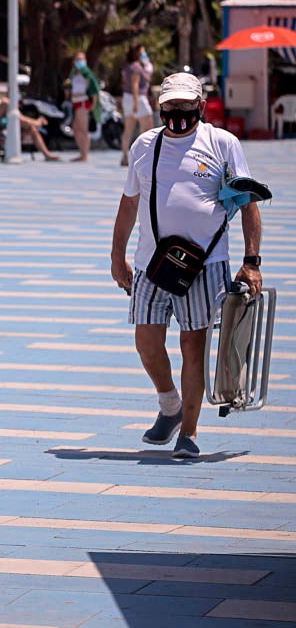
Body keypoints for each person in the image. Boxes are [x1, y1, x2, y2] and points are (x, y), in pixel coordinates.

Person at [110, 72, 263, 460]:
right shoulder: (144, 146)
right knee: (146, 341)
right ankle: (170, 405)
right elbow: (129, 202)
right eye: (171, 106)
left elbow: (248, 202)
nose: (177, 112)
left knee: (191, 345)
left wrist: (251, 262)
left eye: (185, 105)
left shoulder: (222, 143)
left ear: (200, 105)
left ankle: (189, 433)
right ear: (161, 107)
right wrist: (117, 256)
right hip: (151, 262)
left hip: (205, 263)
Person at [0, 96, 60, 161]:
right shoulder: (3, 104)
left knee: (32, 129)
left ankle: (46, 154)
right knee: (8, 105)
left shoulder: (3, 106)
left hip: (6, 127)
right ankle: (37, 122)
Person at [120, 44, 154, 166]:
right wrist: (136, 103)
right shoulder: (136, 67)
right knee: (148, 128)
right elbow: (135, 84)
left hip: (127, 97)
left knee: (128, 129)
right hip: (138, 98)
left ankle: (125, 157)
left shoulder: (127, 66)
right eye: (143, 52)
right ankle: (144, 156)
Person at [68, 51, 101, 162]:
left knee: (83, 129)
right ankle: (82, 153)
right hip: (76, 102)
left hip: (83, 102)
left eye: (81, 59)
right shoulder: (74, 74)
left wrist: (94, 103)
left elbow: (94, 88)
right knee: (76, 129)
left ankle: (85, 155)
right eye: (77, 59)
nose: (80, 62)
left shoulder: (87, 74)